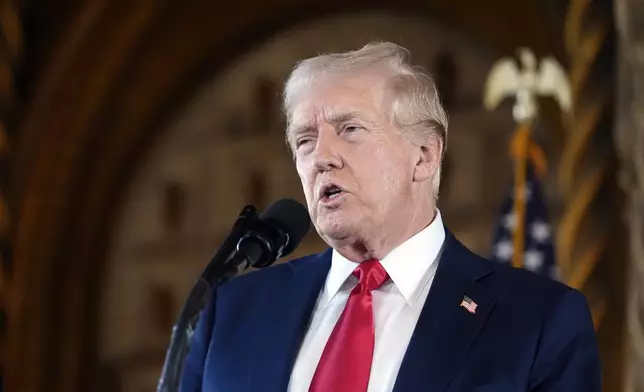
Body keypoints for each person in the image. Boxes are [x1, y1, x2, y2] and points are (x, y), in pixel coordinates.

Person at [179, 42, 601, 392]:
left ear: (424, 156)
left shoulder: (538, 321)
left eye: (350, 130)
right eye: (305, 140)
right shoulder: (233, 313)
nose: (322, 157)